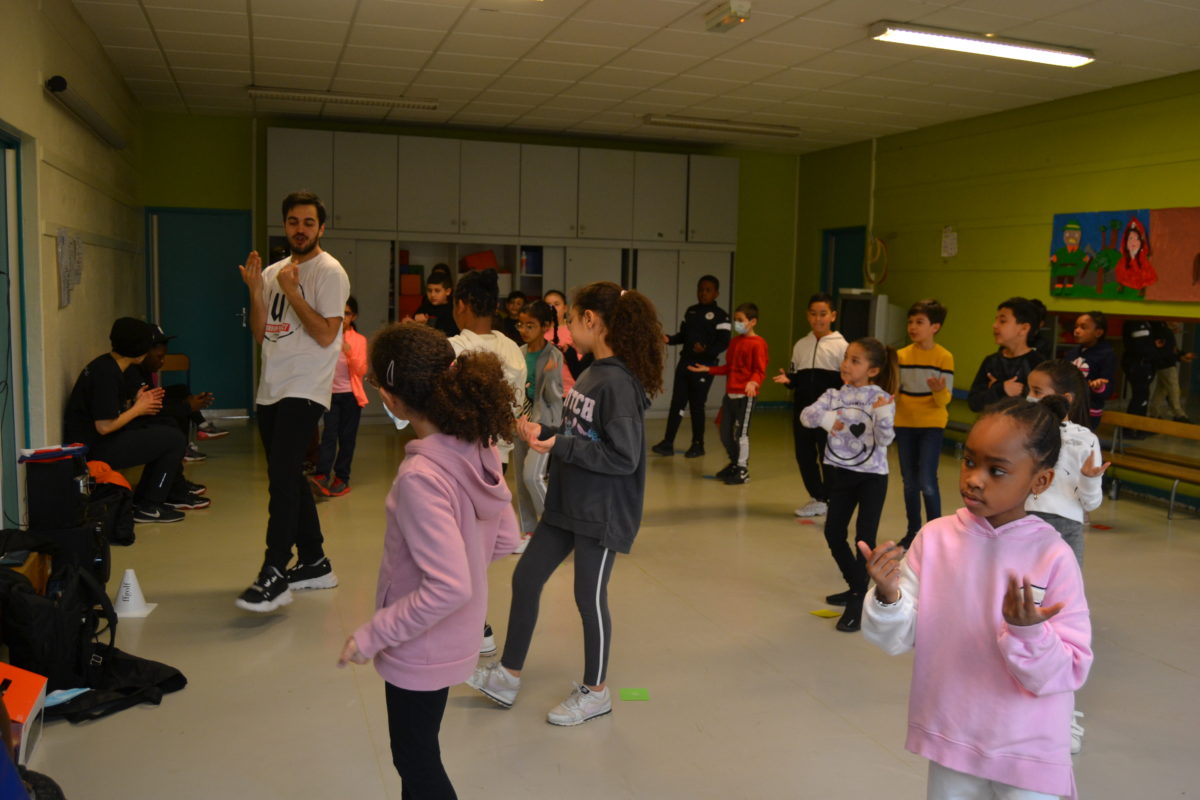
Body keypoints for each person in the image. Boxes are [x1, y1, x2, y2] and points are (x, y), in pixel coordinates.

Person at [860, 397, 1093, 800]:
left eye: (997, 470)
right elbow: (899, 635)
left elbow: (1070, 669)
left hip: (1027, 747)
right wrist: (888, 596)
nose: (975, 479)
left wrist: (1028, 633)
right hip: (954, 735)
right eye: (969, 462)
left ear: (1040, 481)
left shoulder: (1052, 555)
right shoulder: (934, 539)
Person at [337, 322, 521, 800]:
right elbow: (505, 537)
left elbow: (448, 586)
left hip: (417, 647)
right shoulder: (477, 445)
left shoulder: (421, 478)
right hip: (455, 637)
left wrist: (372, 634)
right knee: (420, 752)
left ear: (394, 399)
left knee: (415, 761)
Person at [467, 282, 664, 727]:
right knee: (527, 577)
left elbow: (622, 456)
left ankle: (596, 691)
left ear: (591, 320)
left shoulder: (618, 382)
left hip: (602, 511)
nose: (568, 327)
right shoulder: (594, 371)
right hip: (568, 503)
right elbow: (580, 427)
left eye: (571, 319)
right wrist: (544, 428)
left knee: (588, 597)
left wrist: (561, 446)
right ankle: (507, 676)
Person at [235, 190, 350, 613]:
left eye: (308, 223)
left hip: (306, 387)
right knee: (288, 476)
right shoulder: (272, 271)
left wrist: (293, 292)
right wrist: (255, 290)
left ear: (321, 227)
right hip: (272, 388)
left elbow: (325, 334)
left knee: (282, 478)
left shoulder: (329, 272)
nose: (299, 230)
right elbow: (262, 333)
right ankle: (315, 561)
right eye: (292, 222)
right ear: (284, 225)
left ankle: (275, 570)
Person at [447, 268, 525, 656]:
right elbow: (514, 406)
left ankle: (476, 625)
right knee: (475, 544)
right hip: (498, 462)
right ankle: (471, 619)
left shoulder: (453, 348)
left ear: (461, 305)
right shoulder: (512, 350)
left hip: (460, 464)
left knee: (464, 547)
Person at [800, 337, 897, 632]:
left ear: (873, 370)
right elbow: (806, 416)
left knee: (864, 540)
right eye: (846, 358)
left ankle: (857, 599)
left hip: (872, 478)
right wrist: (827, 419)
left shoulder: (881, 398)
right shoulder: (833, 395)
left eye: (855, 360)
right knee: (833, 532)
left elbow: (885, 440)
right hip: (840, 475)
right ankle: (857, 586)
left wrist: (881, 414)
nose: (846, 364)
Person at [63, 318, 188, 524]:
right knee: (174, 439)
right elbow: (104, 426)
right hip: (93, 449)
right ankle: (149, 505)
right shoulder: (106, 374)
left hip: (99, 441)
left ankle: (147, 498)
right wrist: (138, 409)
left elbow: (110, 411)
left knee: (165, 428)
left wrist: (135, 403)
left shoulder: (108, 365)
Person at [772, 293, 847, 518]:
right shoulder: (801, 345)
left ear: (833, 316)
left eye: (823, 314)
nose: (818, 319)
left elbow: (847, 381)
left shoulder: (843, 346)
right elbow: (797, 377)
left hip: (830, 414)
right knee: (804, 455)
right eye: (813, 314)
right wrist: (790, 381)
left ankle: (834, 499)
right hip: (803, 412)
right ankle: (818, 497)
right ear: (808, 316)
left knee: (829, 456)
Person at [123, 324, 211, 505]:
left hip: (138, 420)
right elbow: (148, 410)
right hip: (129, 427)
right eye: (159, 357)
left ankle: (175, 482)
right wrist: (187, 407)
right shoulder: (132, 372)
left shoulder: (144, 370)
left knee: (178, 396)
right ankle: (171, 488)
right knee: (171, 423)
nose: (163, 361)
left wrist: (188, 405)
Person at [894, 299, 954, 550]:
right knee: (909, 481)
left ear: (935, 327)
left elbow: (945, 399)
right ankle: (912, 532)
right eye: (910, 322)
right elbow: (895, 392)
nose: (913, 327)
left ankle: (935, 532)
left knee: (927, 480)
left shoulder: (944, 357)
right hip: (905, 424)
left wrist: (938, 391)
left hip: (932, 424)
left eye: (920, 322)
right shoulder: (901, 356)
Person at [687, 301, 767, 484]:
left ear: (753, 321)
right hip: (730, 395)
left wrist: (753, 382)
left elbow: (759, 369)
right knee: (724, 432)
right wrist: (707, 369)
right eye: (735, 320)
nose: (736, 323)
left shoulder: (758, 344)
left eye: (740, 320)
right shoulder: (735, 342)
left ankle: (742, 469)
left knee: (742, 434)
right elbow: (729, 368)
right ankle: (734, 462)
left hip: (745, 396)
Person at [652, 275, 731, 459]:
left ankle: (698, 444)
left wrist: (706, 351)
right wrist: (669, 339)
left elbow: (724, 342)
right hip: (685, 363)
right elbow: (683, 336)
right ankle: (668, 442)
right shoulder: (691, 311)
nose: (703, 293)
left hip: (704, 365)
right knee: (677, 403)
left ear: (716, 293)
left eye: (708, 290)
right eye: (700, 289)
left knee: (697, 405)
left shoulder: (721, 316)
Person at [512, 300, 563, 554]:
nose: (523, 330)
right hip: (519, 423)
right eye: (520, 324)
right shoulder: (518, 352)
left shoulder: (554, 355)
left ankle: (554, 530)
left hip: (543, 425)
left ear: (545, 326)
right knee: (520, 481)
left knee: (532, 476)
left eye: (530, 325)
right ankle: (530, 531)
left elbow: (553, 398)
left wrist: (550, 377)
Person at [311, 296, 368, 497]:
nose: (343, 318)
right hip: (330, 395)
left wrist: (349, 353)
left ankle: (342, 478)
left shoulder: (359, 340)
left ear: (354, 316)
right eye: (339, 313)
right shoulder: (328, 336)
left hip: (351, 396)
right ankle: (322, 474)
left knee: (347, 438)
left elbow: (361, 370)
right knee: (329, 435)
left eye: (347, 313)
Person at [967, 297, 1043, 412]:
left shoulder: (1038, 364)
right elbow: (974, 403)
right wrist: (1001, 389)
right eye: (995, 320)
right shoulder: (991, 361)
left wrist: (996, 389)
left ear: (1024, 328)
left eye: (1002, 321)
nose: (994, 325)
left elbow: (1041, 407)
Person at [1065, 311, 1115, 430]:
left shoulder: (1106, 354)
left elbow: (1108, 387)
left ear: (1098, 332)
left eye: (1083, 327)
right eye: (1076, 326)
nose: (1076, 331)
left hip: (1089, 411)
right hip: (1068, 407)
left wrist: (1098, 386)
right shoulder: (1072, 353)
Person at [543, 288, 592, 389]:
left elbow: (581, 362)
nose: (552, 308)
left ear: (565, 308)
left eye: (556, 304)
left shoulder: (573, 330)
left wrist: (565, 355)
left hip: (571, 387)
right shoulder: (540, 331)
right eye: (548, 305)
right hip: (546, 388)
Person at [1148, 320, 1193, 422]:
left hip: (1164, 363)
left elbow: (1172, 349)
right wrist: (1179, 356)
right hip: (1166, 364)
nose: (1177, 323)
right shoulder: (1164, 331)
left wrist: (1181, 355)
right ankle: (1179, 414)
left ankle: (1154, 412)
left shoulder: (1165, 331)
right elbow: (1168, 351)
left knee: (1162, 389)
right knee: (1174, 389)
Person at [412, 270, 459, 337]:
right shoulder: (425, 306)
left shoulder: (455, 309)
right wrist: (413, 322)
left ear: (448, 291)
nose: (432, 295)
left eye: (437, 291)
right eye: (429, 291)